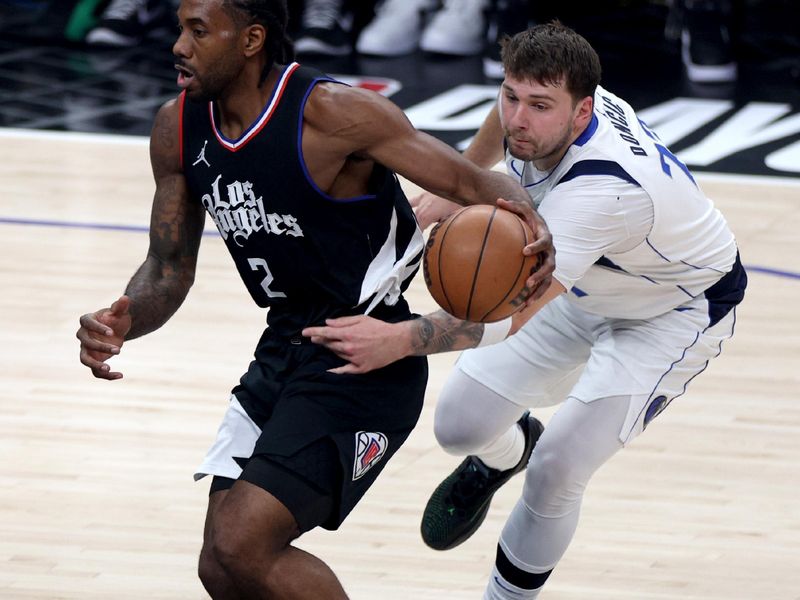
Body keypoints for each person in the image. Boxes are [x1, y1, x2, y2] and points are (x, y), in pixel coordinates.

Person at [75, 0, 554, 597]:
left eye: (198, 30)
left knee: (243, 543)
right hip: (285, 346)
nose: (178, 45)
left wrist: (534, 225)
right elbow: (169, 267)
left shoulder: (335, 113)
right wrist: (122, 319)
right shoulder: (176, 128)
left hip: (367, 356)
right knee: (219, 567)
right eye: (179, 27)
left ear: (251, 40)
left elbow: (476, 182)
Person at [304, 21, 747, 599]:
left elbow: (507, 314)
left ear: (583, 112)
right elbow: (504, 123)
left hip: (673, 312)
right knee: (459, 426)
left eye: (540, 106)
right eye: (512, 96)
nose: (518, 118)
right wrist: (460, 181)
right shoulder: (558, 101)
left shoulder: (601, 193)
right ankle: (506, 454)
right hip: (585, 283)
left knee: (559, 471)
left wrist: (399, 340)